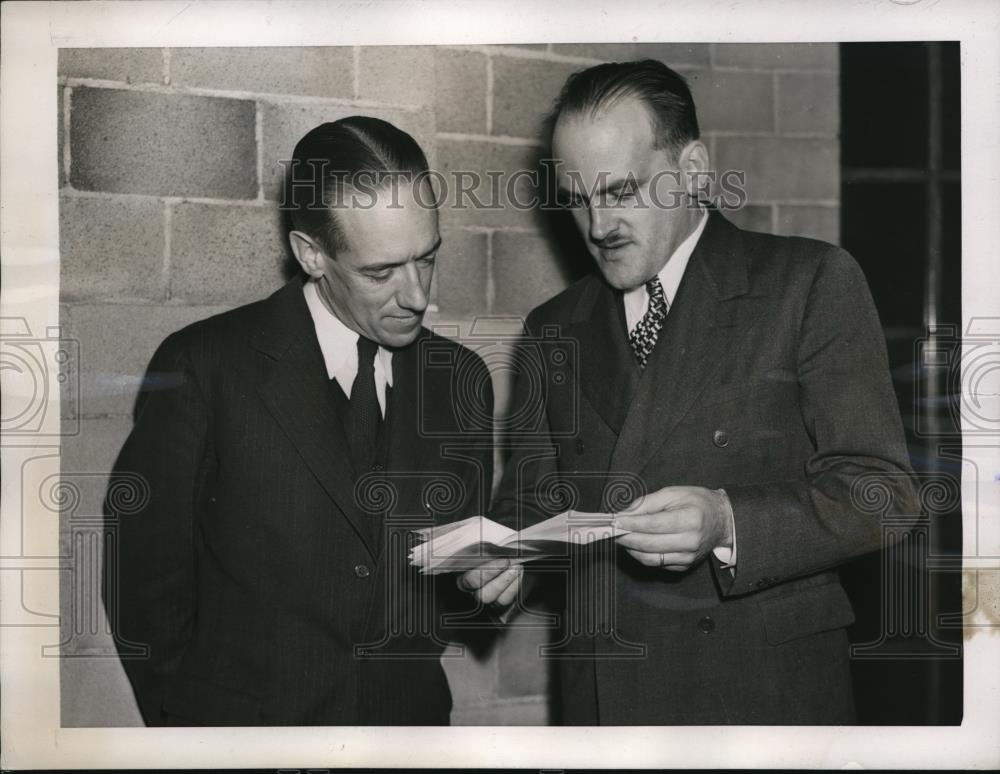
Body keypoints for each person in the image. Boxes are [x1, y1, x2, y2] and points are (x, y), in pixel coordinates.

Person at [460, 60, 919, 724]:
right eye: (578, 197)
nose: (597, 225)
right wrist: (504, 554)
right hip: (606, 700)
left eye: (620, 190)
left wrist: (730, 521)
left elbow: (886, 492)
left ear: (695, 170)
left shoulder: (808, 282)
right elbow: (536, 496)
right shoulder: (553, 328)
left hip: (757, 701)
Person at [104, 117, 493, 726]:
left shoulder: (461, 379)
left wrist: (486, 583)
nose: (418, 296)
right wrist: (187, 733)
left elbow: (453, 594)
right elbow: (146, 584)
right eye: (381, 272)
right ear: (311, 254)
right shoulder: (204, 366)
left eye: (428, 258)